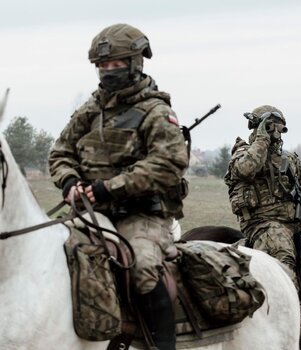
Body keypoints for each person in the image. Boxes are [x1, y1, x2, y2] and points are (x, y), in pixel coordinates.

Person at [49, 23, 189, 350]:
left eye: (116, 65)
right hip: (90, 212)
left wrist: (107, 188)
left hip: (141, 215)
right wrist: (70, 182)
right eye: (103, 66)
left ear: (136, 63)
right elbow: (60, 151)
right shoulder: (90, 109)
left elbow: (167, 164)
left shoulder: (156, 111)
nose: (108, 72)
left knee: (141, 266)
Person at [224, 105, 301, 333]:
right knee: (283, 253)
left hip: (295, 222)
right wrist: (261, 138)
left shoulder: (289, 158)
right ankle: (294, 316)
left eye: (279, 126)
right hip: (264, 224)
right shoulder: (243, 154)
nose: (277, 132)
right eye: (270, 126)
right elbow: (245, 170)